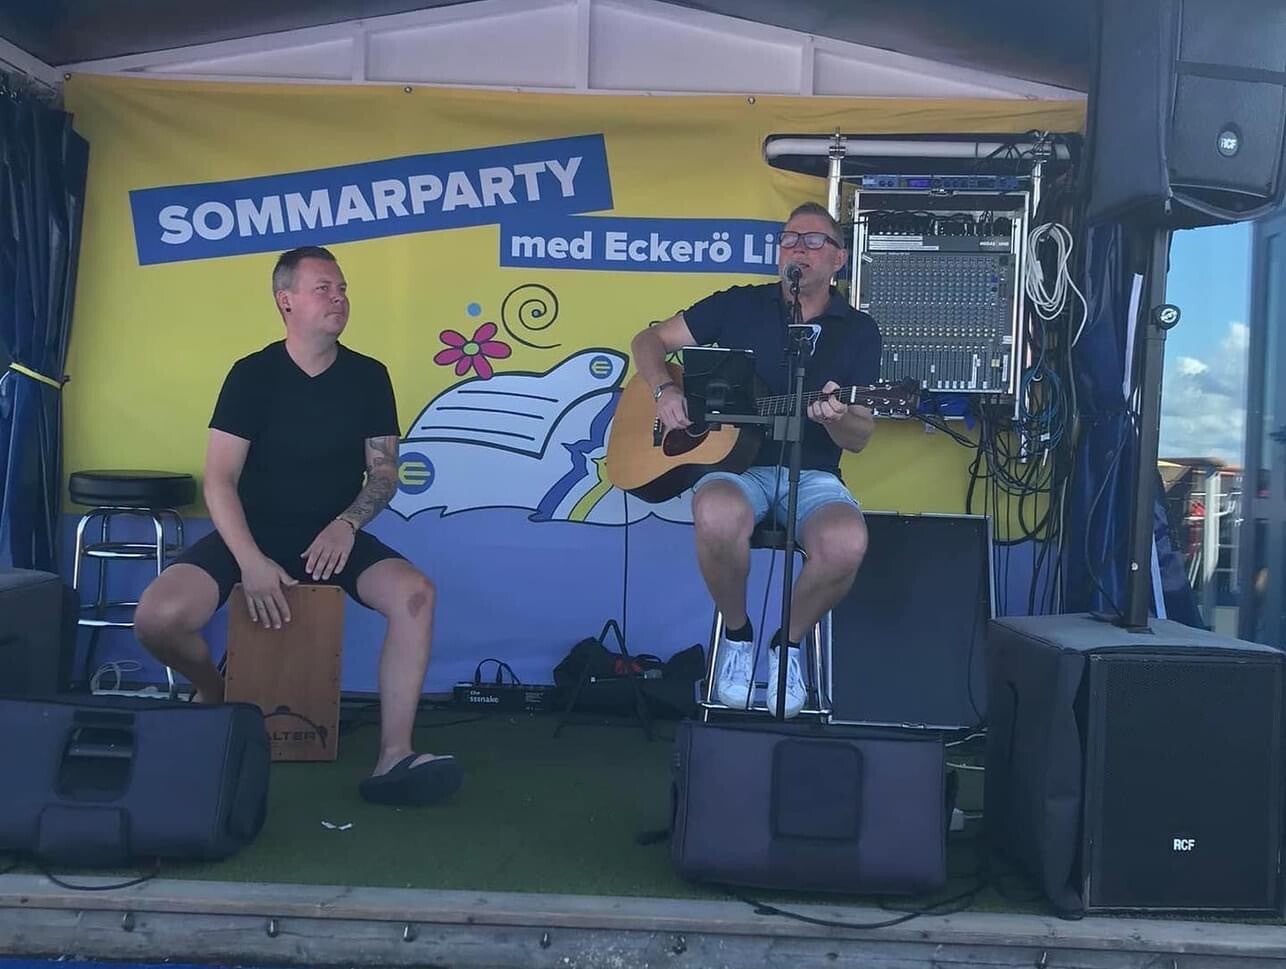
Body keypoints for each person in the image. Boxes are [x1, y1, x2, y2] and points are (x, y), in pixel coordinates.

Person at [133, 245, 461, 806]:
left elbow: (384, 474)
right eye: (323, 288)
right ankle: (215, 693)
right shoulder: (252, 375)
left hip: (331, 538)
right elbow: (219, 481)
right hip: (250, 535)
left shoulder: (368, 376)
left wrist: (346, 524)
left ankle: (394, 755)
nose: (339, 298)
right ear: (286, 301)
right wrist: (250, 561)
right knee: (157, 618)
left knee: (417, 595)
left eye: (343, 289)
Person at [628, 202, 881, 718]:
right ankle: (738, 636)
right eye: (789, 239)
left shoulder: (858, 331)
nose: (798, 249)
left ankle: (788, 646)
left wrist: (835, 418)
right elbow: (649, 340)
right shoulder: (738, 305)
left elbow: (859, 437)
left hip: (813, 474)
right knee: (717, 512)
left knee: (846, 542)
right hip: (734, 470)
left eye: (813, 241)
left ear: (839, 260)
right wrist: (663, 390)